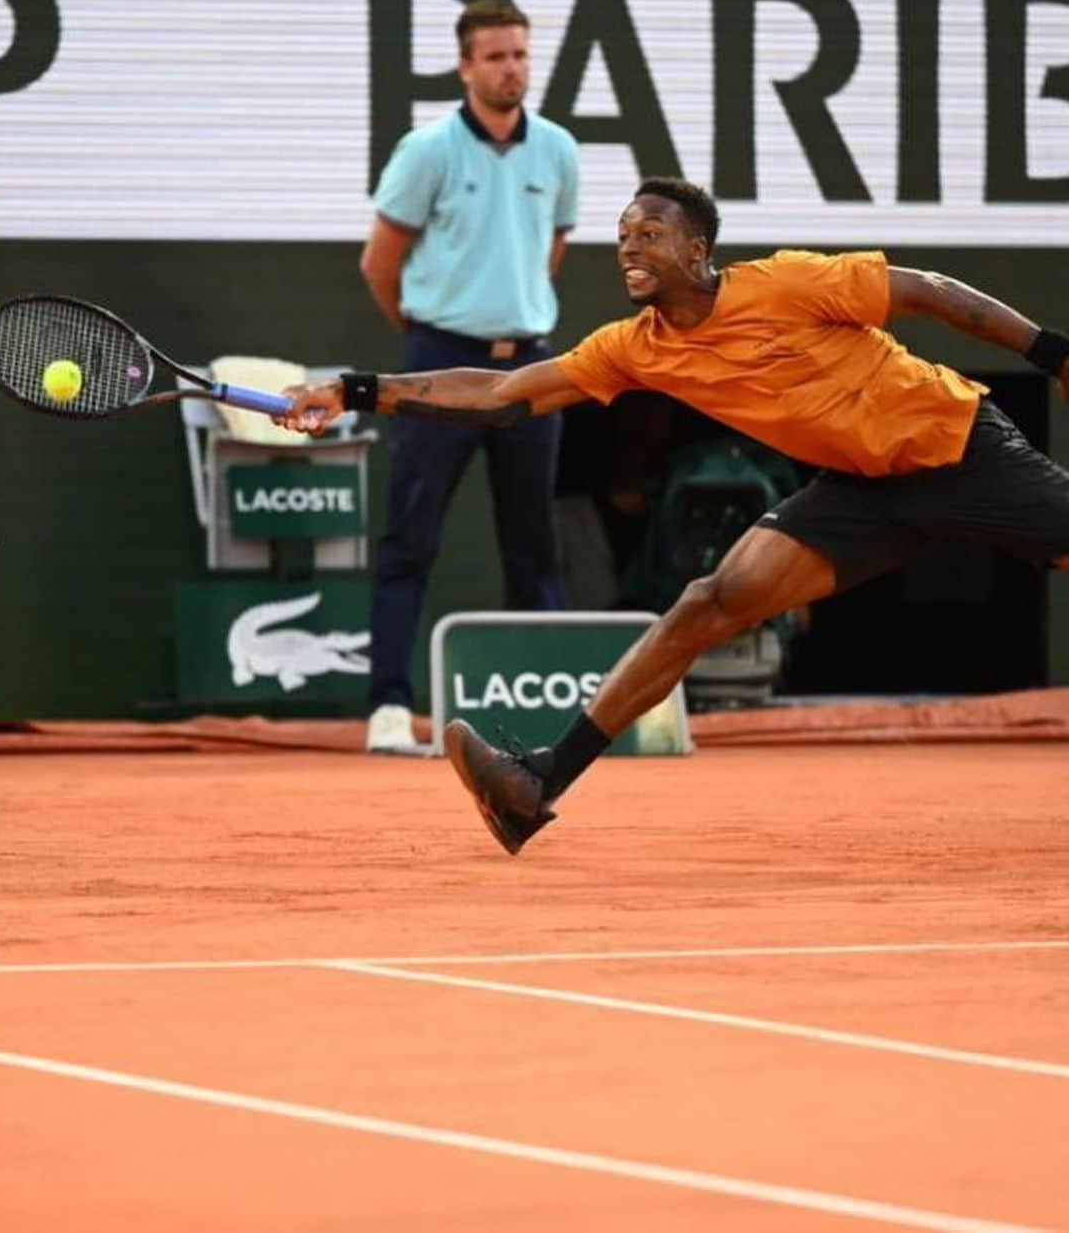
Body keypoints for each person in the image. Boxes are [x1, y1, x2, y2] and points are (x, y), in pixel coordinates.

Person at [278, 176, 1069, 852]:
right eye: (621, 235)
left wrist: (1052, 352)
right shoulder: (634, 347)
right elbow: (496, 393)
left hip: (958, 446)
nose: (628, 247)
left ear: (696, 252)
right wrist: (353, 390)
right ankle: (533, 785)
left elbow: (927, 291)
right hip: (861, 488)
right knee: (707, 603)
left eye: (648, 234)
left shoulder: (787, 283)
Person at [358, 0, 579, 754]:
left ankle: (547, 719)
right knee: (409, 537)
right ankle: (388, 706)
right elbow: (379, 262)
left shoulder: (558, 149)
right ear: (464, 66)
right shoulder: (426, 152)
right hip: (435, 364)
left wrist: (510, 318)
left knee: (534, 545)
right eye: (495, 56)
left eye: (519, 53)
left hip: (529, 367)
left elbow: (549, 248)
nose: (511, 68)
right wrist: (430, 335)